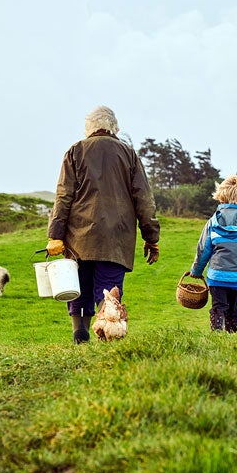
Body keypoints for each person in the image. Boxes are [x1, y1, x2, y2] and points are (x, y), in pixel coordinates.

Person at [48, 105, 160, 342]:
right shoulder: (128, 154)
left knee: (79, 287)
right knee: (108, 290)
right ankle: (108, 334)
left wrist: (55, 235)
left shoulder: (75, 151)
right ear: (114, 128)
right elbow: (144, 199)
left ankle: (80, 332)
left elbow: (63, 197)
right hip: (116, 239)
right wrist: (151, 237)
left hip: (79, 238)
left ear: (89, 128)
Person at [189, 175, 237, 332]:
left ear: (220, 195)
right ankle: (231, 336)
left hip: (217, 278)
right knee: (233, 307)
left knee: (218, 307)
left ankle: (217, 336)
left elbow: (203, 249)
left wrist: (196, 270)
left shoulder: (212, 222)